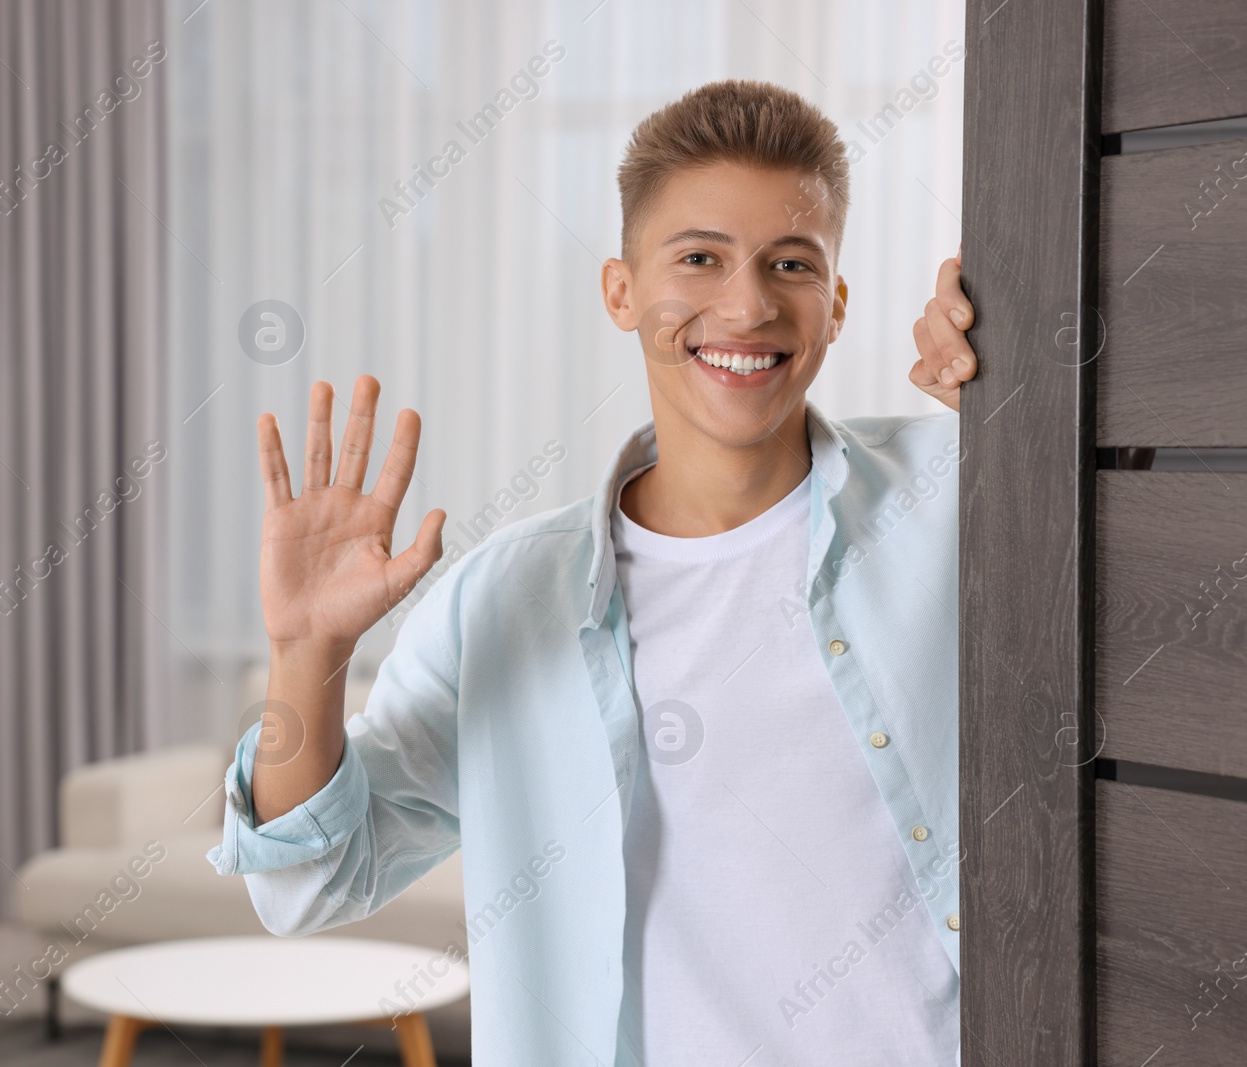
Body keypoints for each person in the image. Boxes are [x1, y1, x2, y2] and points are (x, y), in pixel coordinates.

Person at [209, 78, 978, 1065]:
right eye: (699, 257)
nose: (745, 305)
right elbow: (307, 880)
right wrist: (304, 654)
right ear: (621, 290)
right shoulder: (501, 602)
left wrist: (1033, 381)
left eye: (789, 264)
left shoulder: (958, 498)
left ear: (832, 304)